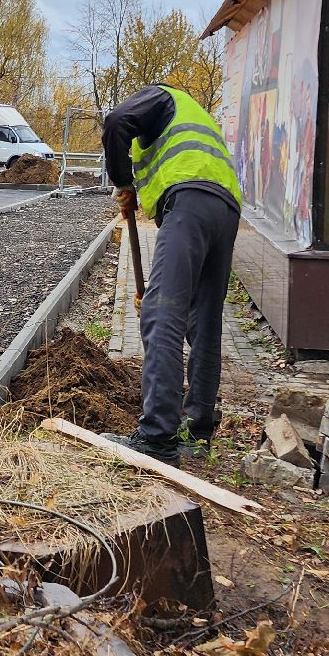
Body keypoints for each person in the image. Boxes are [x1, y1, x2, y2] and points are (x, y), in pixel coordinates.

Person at [100, 82, 242, 464]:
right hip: (226, 211)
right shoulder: (196, 115)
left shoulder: (159, 96)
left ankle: (157, 436)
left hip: (190, 202)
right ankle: (196, 433)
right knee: (204, 323)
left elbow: (116, 122)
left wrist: (122, 181)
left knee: (162, 314)